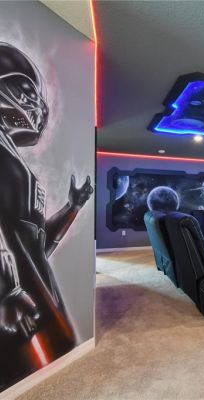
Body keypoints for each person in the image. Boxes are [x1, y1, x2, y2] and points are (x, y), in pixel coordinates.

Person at [0, 42, 93, 387]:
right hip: (19, 311)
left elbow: (34, 248)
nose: (34, 103)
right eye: (25, 91)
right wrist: (6, 290)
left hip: (39, 303)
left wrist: (72, 207)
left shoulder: (9, 154)